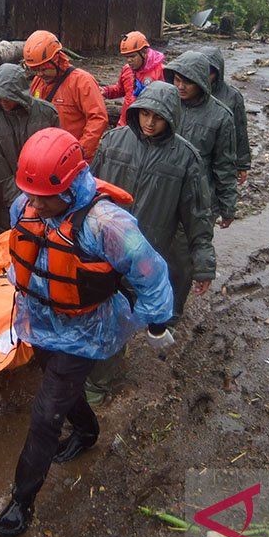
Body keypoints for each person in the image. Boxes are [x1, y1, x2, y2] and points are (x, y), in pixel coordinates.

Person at [0, 128, 174, 537]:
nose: (34, 203)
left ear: (71, 184)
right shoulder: (26, 205)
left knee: (45, 414)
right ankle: (88, 431)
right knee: (57, 388)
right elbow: (25, 252)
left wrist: (157, 322)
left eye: (44, 196)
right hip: (39, 321)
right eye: (31, 193)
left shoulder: (106, 223)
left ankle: (22, 501)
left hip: (84, 330)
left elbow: (149, 271)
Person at [86, 82, 213, 403]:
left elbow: (197, 214)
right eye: (145, 114)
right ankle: (90, 368)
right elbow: (89, 190)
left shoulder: (186, 158)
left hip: (145, 253)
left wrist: (203, 263)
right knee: (96, 307)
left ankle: (99, 384)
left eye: (158, 117)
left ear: (171, 118)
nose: (150, 122)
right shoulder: (114, 141)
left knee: (123, 313)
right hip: (103, 247)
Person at [0, 63, 60, 237]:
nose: (3, 102)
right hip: (4, 200)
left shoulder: (46, 113)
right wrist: (18, 200)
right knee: (8, 241)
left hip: (43, 194)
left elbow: (56, 155)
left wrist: (37, 198)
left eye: (7, 97)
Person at [164, 50, 240, 228]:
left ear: (201, 81)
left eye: (188, 82)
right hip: (164, 192)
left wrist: (228, 207)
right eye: (177, 80)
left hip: (198, 197)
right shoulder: (165, 105)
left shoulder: (220, 116)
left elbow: (225, 165)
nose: (180, 86)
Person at [23, 30, 109, 161]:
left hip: (74, 159)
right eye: (36, 70)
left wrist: (79, 151)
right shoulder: (38, 82)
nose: (40, 74)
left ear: (56, 60)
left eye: (44, 69)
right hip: (45, 158)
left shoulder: (82, 81)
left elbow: (98, 119)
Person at [200, 47, 251, 187]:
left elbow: (240, 130)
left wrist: (242, 164)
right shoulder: (191, 92)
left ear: (217, 72)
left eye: (209, 72)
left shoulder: (232, 96)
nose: (205, 77)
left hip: (223, 155)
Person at [100, 31, 165, 126]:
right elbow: (120, 89)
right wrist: (106, 91)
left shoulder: (161, 71)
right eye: (127, 57)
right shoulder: (127, 69)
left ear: (144, 52)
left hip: (146, 126)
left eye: (132, 56)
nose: (129, 60)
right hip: (124, 124)